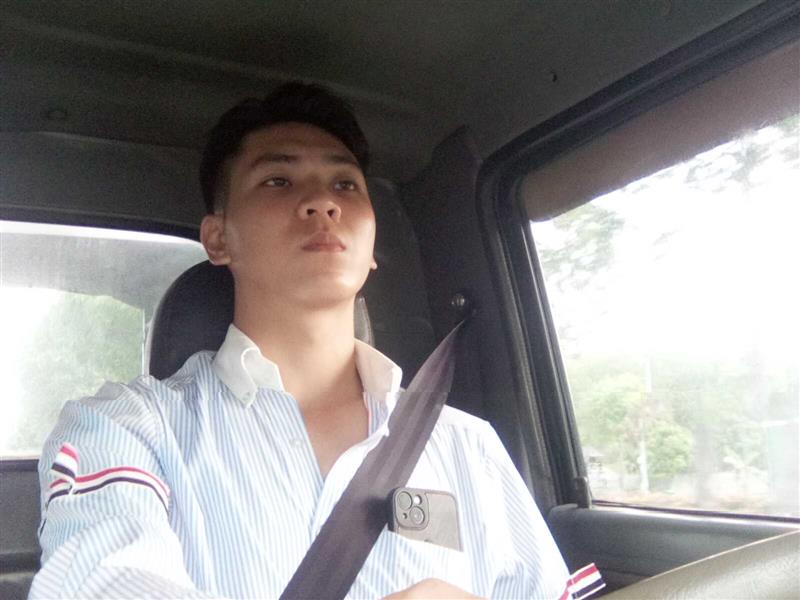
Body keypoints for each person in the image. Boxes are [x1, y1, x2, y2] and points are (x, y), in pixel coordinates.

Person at [31, 83, 577, 599]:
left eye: (345, 185)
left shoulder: (467, 446)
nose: (323, 203)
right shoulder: (125, 428)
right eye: (278, 181)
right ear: (218, 239)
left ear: (370, 247)